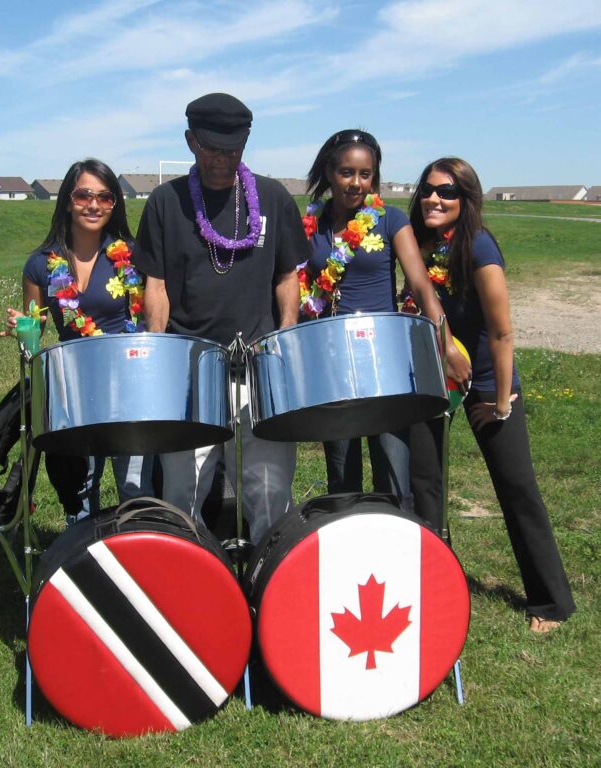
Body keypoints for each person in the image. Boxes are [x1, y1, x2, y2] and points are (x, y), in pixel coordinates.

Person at [405, 156, 576, 632]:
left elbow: (502, 333)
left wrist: (501, 402)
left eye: (448, 192)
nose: (435, 199)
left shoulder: (479, 247)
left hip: (483, 384)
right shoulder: (421, 243)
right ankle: (430, 584)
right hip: (433, 382)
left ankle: (551, 601)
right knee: (425, 487)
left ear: (467, 199)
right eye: (428, 190)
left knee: (516, 487)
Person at [134, 92, 308, 545]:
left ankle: (266, 590)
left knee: (268, 495)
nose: (222, 159)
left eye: (232, 149)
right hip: (190, 371)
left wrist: (284, 339)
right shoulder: (165, 203)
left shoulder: (271, 198)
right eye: (212, 148)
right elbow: (156, 285)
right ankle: (186, 591)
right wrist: (159, 354)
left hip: (259, 369)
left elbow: (288, 274)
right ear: (191, 141)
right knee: (182, 492)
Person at [299, 130, 470, 511]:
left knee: (393, 472)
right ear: (330, 172)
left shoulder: (390, 220)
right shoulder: (312, 224)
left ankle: (396, 555)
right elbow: (297, 286)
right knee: (341, 477)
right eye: (346, 172)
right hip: (333, 367)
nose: (355, 183)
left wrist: (445, 344)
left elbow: (422, 286)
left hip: (384, 365)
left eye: (365, 174)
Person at [2, 158, 153, 526]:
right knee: (81, 486)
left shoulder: (132, 257)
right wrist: (22, 328)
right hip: (75, 386)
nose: (94, 205)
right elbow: (33, 334)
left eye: (104, 197)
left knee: (134, 484)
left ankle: (138, 556)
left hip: (128, 382)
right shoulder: (40, 264)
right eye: (84, 195)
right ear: (68, 201)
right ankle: (83, 560)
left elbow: (150, 317)